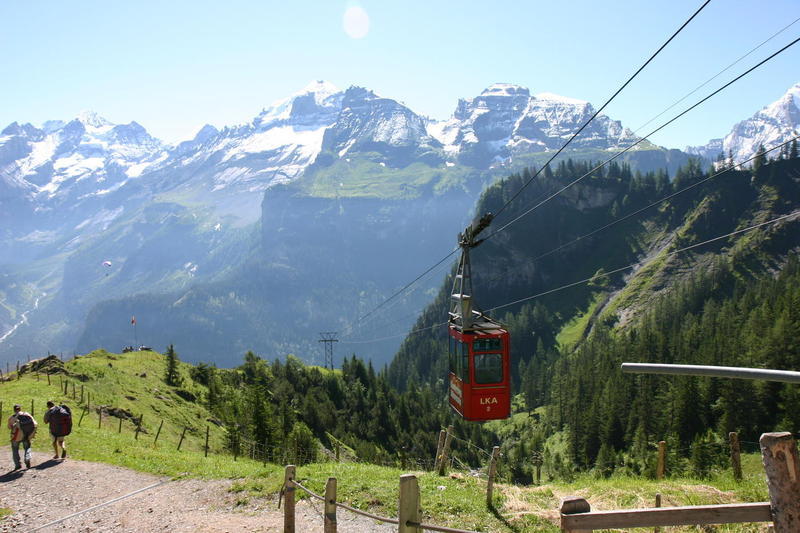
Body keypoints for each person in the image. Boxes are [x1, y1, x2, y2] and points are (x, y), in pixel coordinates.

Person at [8, 404, 37, 470]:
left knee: (15, 449)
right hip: (26, 434)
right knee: (27, 447)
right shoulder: (27, 414)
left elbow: (9, 427)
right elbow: (34, 423)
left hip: (16, 436)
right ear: (20, 409)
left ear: (14, 410)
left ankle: (17, 465)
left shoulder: (12, 417)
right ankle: (27, 458)